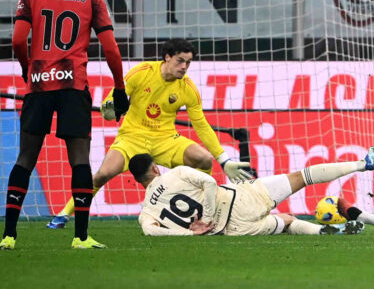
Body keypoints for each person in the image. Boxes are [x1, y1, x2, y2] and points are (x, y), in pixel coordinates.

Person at [1, 0, 129, 250]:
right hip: (73, 86)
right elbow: (110, 48)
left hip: (39, 84)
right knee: (79, 160)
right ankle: (81, 237)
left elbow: (18, 40)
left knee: (25, 158)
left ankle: (8, 236)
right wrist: (120, 87)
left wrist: (27, 68)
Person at [47, 38, 252, 229]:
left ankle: (199, 212)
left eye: (188, 63)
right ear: (167, 57)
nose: (184, 67)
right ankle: (64, 214)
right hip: (131, 138)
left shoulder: (187, 88)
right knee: (103, 174)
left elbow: (201, 125)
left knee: (204, 160)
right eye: (180, 61)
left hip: (165, 139)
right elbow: (113, 100)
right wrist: (108, 109)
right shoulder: (142, 72)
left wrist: (223, 160)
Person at [128, 147, 374, 236]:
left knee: (287, 221)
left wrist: (190, 235)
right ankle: (363, 164)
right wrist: (205, 217)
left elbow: (151, 231)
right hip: (238, 200)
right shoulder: (175, 173)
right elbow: (210, 184)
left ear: (138, 179)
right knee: (300, 177)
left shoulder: (145, 213)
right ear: (155, 168)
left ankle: (328, 231)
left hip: (232, 231)